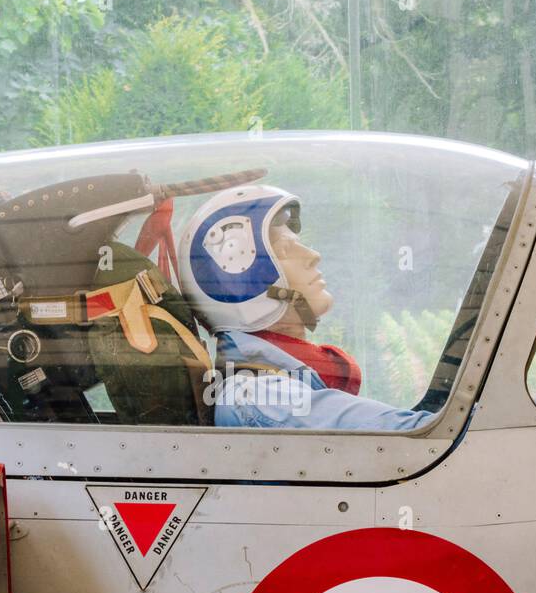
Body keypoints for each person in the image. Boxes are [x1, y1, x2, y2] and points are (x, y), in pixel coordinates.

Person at [178, 184, 434, 430]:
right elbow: (423, 436)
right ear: (241, 280)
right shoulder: (258, 397)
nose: (313, 256)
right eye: (285, 250)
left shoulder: (280, 383)